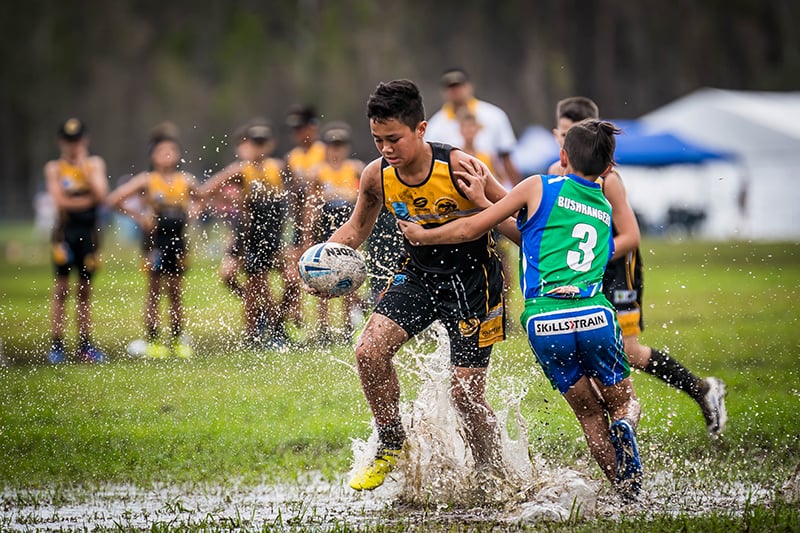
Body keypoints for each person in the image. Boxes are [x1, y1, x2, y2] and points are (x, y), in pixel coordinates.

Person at [400, 119, 644, 499]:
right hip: (594, 314)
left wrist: (423, 234)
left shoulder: (537, 185)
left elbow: (474, 229)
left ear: (562, 157)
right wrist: (485, 199)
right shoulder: (604, 205)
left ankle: (626, 490)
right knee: (622, 402)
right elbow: (533, 234)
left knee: (589, 416)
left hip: (545, 321)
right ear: (609, 168)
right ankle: (628, 442)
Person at [316, 79, 514, 491]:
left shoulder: (460, 166)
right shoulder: (377, 176)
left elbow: (515, 219)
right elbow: (356, 228)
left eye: (394, 139)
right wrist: (320, 262)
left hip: (474, 285)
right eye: (377, 140)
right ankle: (390, 442)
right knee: (369, 351)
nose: (386, 149)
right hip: (419, 277)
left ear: (421, 130)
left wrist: (483, 204)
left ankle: (491, 475)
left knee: (466, 397)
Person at [548, 96, 727, 438]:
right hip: (584, 273)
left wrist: (590, 259)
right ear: (557, 136)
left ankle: (701, 390)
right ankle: (613, 423)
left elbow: (630, 237)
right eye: (565, 135)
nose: (570, 143)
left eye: (578, 134)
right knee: (589, 350)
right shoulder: (553, 176)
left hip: (617, 270)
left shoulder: (609, 180)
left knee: (627, 351)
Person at [107, 122, 198, 359]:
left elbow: (202, 198)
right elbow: (115, 199)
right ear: (153, 156)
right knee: (154, 291)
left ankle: (178, 339)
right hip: (155, 242)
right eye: (161, 151)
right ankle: (153, 340)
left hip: (178, 240)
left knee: (176, 291)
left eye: (171, 150)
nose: (166, 155)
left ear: (177, 154)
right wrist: (139, 216)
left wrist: (194, 211)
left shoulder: (185, 180)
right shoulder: (146, 180)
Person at [199, 120, 291, 347]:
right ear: (249, 144)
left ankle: (277, 325)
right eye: (255, 142)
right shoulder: (240, 170)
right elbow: (206, 191)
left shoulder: (278, 167)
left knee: (292, 281)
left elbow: (301, 193)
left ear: (270, 144)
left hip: (276, 236)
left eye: (263, 142)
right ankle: (258, 334)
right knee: (255, 286)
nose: (259, 147)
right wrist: (232, 201)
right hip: (252, 236)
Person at [44, 118, 109, 363]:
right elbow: (60, 202)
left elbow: (102, 195)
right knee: (61, 289)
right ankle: (57, 345)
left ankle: (85, 345)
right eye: (69, 142)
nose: (73, 147)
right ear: (61, 142)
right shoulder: (55, 168)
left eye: (77, 141)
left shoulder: (93, 164)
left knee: (85, 290)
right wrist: (86, 200)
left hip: (89, 235)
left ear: (85, 141)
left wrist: (83, 168)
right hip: (64, 235)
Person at [306, 121, 365, 344]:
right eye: (332, 145)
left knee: (349, 275)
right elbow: (310, 205)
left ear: (346, 147)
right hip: (325, 226)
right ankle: (323, 327)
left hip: (348, 226)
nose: (336, 150)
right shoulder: (319, 172)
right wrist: (307, 235)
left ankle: (349, 324)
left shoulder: (356, 168)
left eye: (340, 145)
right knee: (322, 275)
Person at [425, 67, 522, 187]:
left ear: (470, 86)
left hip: (495, 184)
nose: (456, 91)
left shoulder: (493, 115)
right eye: (451, 87)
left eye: (459, 86)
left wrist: (518, 192)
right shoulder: (436, 125)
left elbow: (506, 159)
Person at [283, 105, 327, 332]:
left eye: (301, 128)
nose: (298, 133)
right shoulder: (292, 157)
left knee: (323, 269)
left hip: (322, 219)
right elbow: (291, 191)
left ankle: (323, 325)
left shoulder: (324, 151)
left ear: (312, 127)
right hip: (300, 221)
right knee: (293, 271)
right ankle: (296, 320)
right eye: (294, 129)